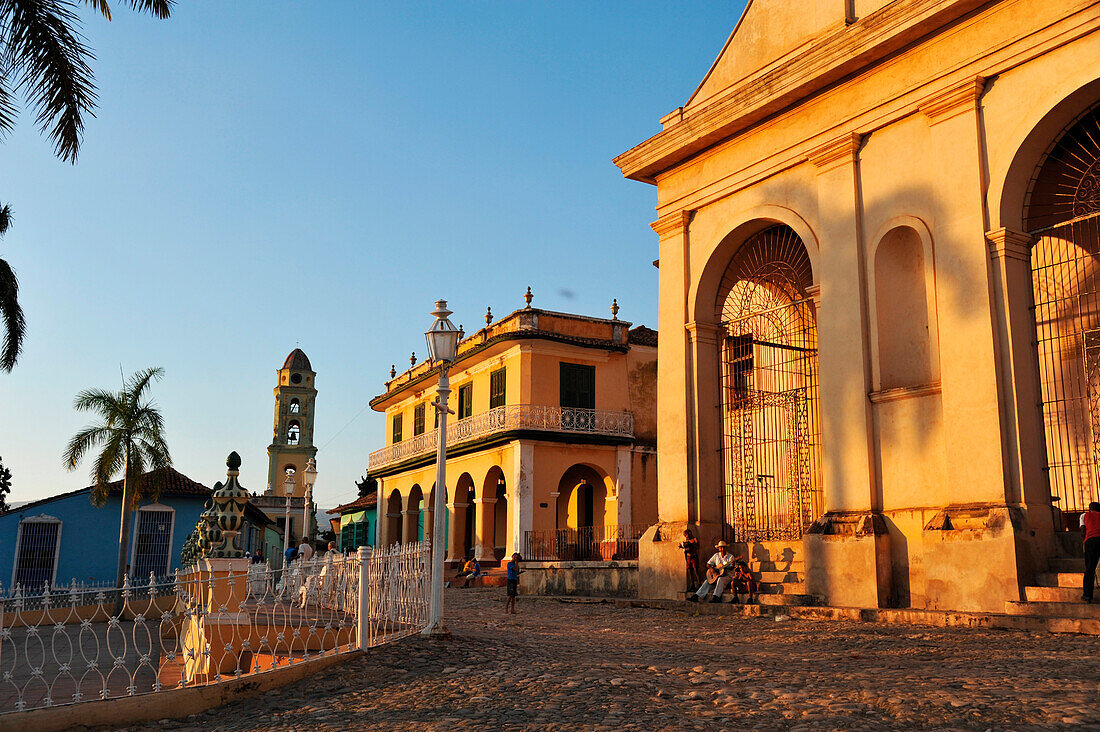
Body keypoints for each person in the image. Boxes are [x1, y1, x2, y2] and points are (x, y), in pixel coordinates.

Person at [1082, 502, 1100, 603]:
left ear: (1090, 509)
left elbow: (1083, 530)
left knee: (1089, 568)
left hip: (1091, 540)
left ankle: (1087, 595)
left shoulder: (1084, 515)